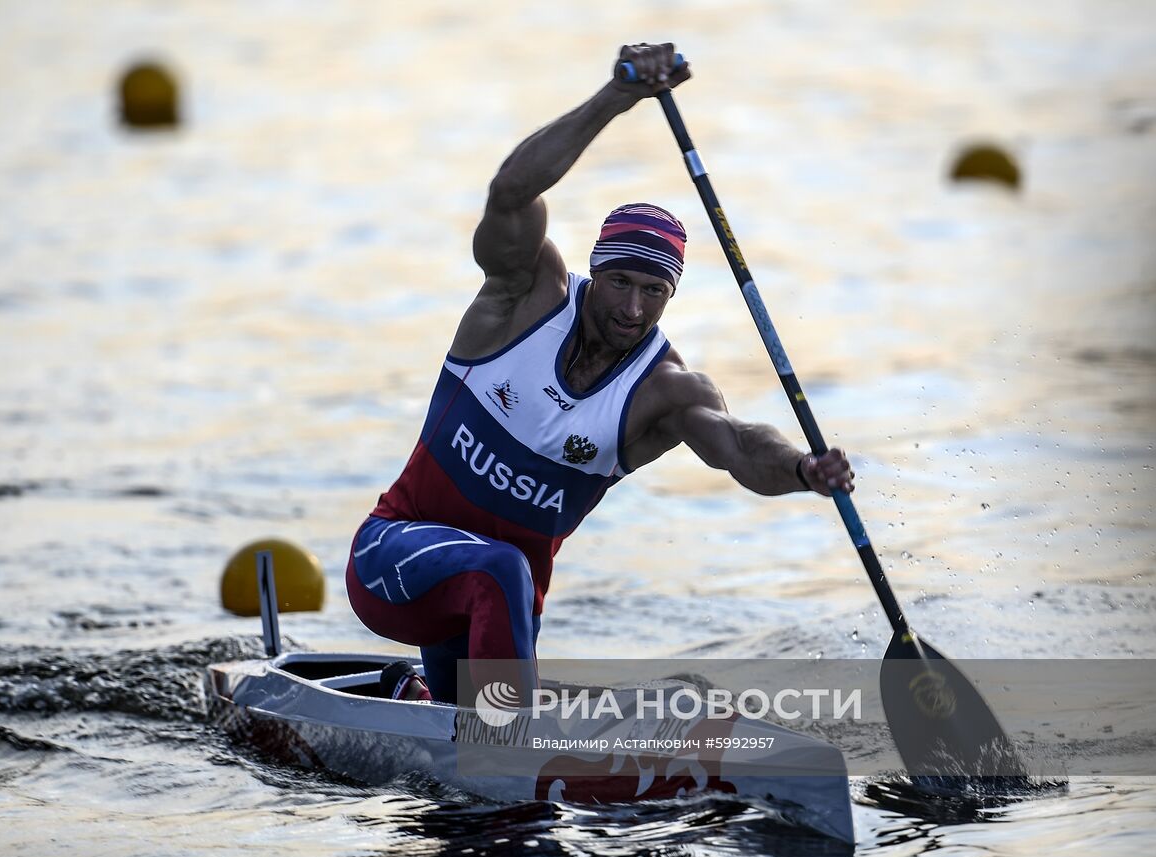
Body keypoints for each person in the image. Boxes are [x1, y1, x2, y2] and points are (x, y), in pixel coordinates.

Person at [346, 43, 855, 704]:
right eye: (620, 282)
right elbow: (510, 191)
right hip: (390, 559)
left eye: (654, 291)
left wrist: (802, 470)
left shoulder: (663, 391)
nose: (633, 308)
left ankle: (419, 701)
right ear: (596, 269)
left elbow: (737, 445)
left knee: (495, 620)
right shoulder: (523, 297)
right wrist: (617, 97)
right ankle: (505, 745)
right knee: (504, 570)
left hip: (488, 612)